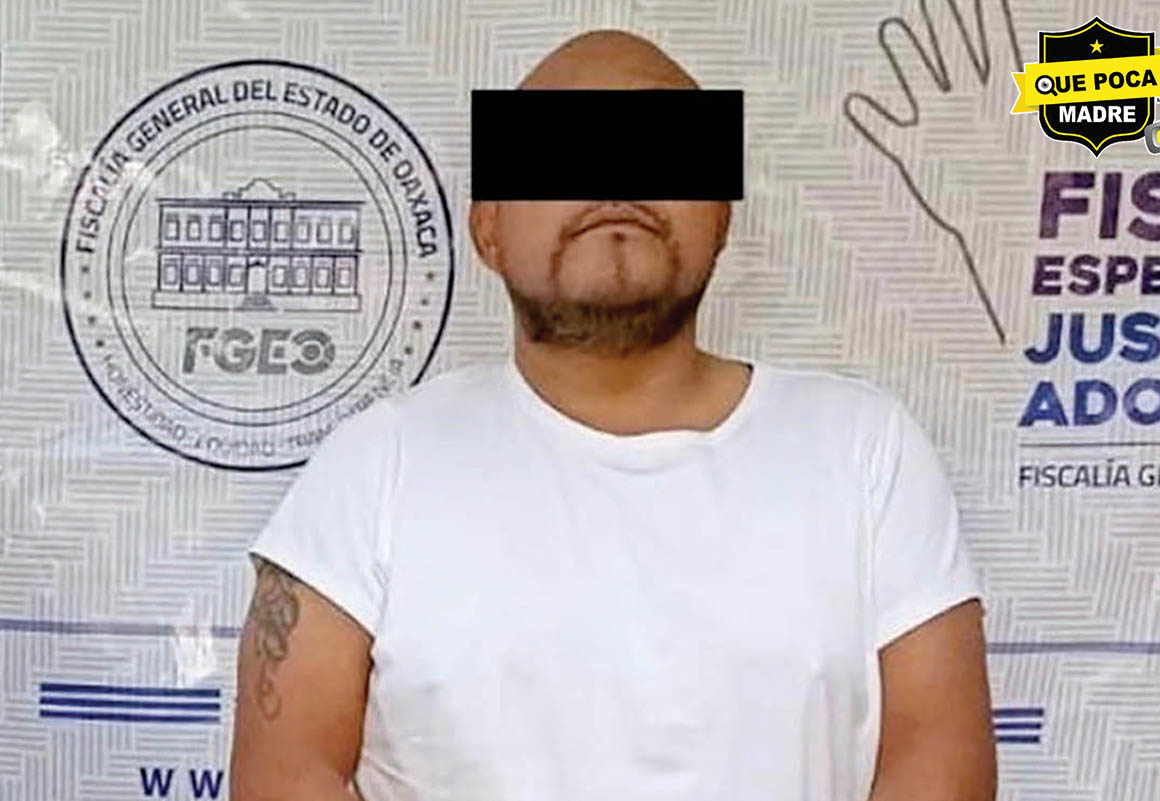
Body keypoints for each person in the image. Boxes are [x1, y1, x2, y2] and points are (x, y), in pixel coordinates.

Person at [230, 28, 996, 801]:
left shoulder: (864, 449)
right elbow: (286, 776)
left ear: (722, 215)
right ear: (488, 228)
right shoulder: (375, 465)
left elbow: (939, 767)